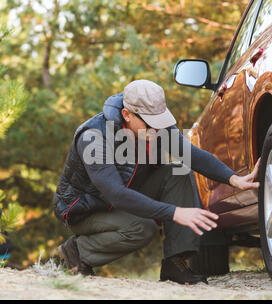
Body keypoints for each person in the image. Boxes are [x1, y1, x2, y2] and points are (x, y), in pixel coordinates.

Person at [54, 79, 260, 285]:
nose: (157, 130)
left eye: (160, 122)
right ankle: (76, 253)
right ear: (127, 115)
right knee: (142, 228)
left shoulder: (155, 127)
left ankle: (175, 263)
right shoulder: (94, 137)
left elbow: (191, 155)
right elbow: (115, 194)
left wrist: (234, 179)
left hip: (126, 194)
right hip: (87, 209)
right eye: (151, 124)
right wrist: (174, 212)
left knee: (179, 171)